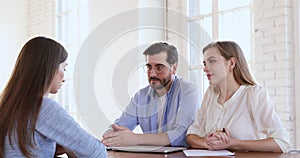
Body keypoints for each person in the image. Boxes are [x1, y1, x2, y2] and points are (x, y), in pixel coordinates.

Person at [0, 36, 107, 157]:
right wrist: (68, 144)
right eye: (64, 68)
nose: (64, 79)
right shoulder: (43, 107)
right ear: (50, 68)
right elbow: (96, 153)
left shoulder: (9, 106)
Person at [186, 41, 292, 153]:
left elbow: (282, 143)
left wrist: (231, 143)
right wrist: (209, 143)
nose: (205, 68)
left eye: (212, 61)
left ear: (231, 63)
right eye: (204, 63)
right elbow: (191, 135)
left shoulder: (254, 94)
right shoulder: (211, 93)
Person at [102, 42, 201, 147]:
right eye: (149, 67)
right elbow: (114, 129)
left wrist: (135, 138)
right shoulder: (141, 96)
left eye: (159, 68)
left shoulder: (188, 91)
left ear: (174, 68)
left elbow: (181, 136)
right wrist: (114, 136)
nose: (152, 74)